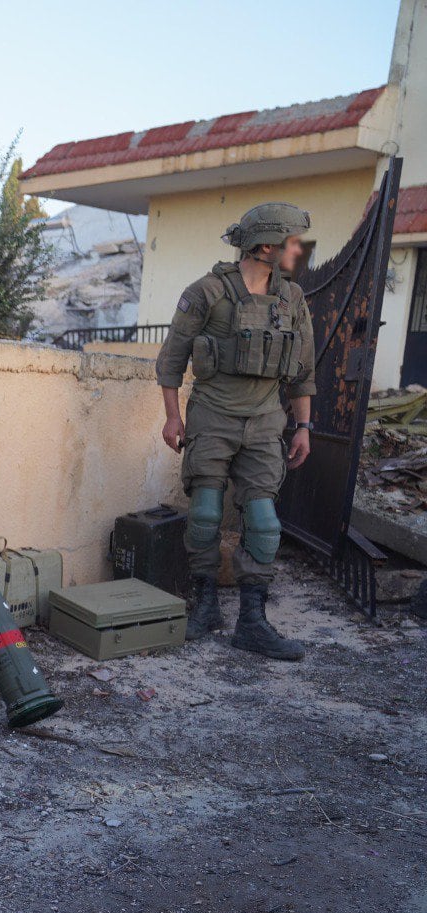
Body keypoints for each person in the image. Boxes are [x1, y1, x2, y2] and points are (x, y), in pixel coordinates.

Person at [155, 202, 315, 661]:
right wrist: (172, 416)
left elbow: (302, 370)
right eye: (292, 242)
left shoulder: (293, 298)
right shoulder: (206, 292)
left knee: (263, 522)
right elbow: (171, 360)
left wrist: (303, 425)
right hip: (212, 416)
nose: (298, 250)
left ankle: (252, 621)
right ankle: (205, 605)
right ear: (266, 245)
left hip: (266, 422)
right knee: (205, 512)